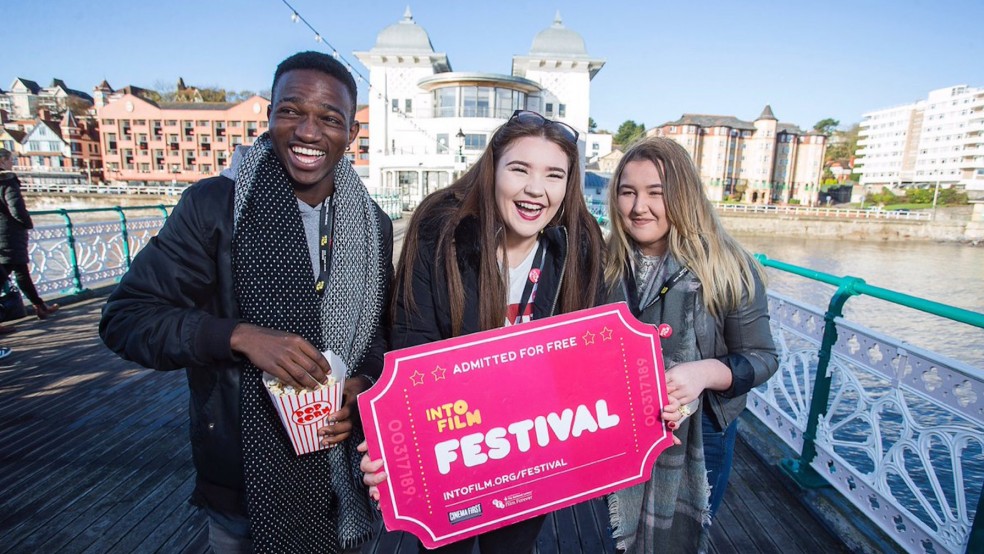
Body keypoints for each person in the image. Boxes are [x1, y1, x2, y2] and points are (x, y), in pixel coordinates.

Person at [100, 51, 393, 554]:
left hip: (343, 485)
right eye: (291, 111)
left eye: (330, 118)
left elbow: (379, 335)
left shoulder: (373, 225)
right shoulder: (214, 205)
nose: (308, 131)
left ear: (352, 135)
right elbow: (126, 319)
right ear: (270, 116)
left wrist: (361, 390)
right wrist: (239, 336)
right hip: (241, 483)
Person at [361, 109, 605, 554]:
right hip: (451, 446)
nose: (536, 189)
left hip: (530, 453)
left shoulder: (578, 248)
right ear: (492, 169)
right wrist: (399, 451)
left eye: (555, 175)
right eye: (520, 169)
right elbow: (414, 344)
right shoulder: (441, 231)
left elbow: (592, 360)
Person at [603, 137, 778, 553]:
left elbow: (762, 358)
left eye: (656, 194)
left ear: (683, 196)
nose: (638, 207)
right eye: (627, 192)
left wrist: (701, 374)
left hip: (702, 433)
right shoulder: (604, 262)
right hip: (617, 428)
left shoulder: (728, 266)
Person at [0, 148, 60, 329]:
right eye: (11, 159)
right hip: (9, 235)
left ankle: (39, 306)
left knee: (20, 273)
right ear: (2, 161)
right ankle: (38, 306)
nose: (13, 163)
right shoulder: (7, 182)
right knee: (6, 275)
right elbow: (16, 209)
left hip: (5, 236)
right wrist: (26, 223)